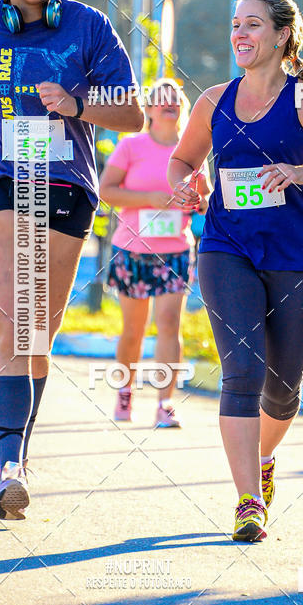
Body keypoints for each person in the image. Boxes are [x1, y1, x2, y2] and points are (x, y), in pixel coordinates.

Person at [0, 0, 144, 521]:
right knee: (10, 311)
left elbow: (132, 114)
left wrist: (80, 103)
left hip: (64, 183)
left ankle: (17, 455)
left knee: (38, 328)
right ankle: (10, 466)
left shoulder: (87, 25)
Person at [167, 0, 303, 542]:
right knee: (242, 372)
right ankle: (247, 502)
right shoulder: (213, 100)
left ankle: (260, 460)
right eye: (236, 24)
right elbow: (182, 159)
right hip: (225, 249)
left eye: (254, 24)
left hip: (295, 256)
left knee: (283, 387)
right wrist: (185, 184)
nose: (240, 34)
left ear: (283, 35)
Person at [100, 78, 210, 426]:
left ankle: (165, 403)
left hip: (175, 251)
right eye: (161, 99)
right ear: (147, 109)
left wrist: (200, 201)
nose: (169, 103)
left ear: (183, 107)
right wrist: (149, 199)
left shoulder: (193, 150)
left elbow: (206, 201)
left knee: (168, 325)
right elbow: (107, 191)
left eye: (175, 98)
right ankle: (125, 393)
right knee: (133, 330)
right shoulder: (131, 146)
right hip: (131, 249)